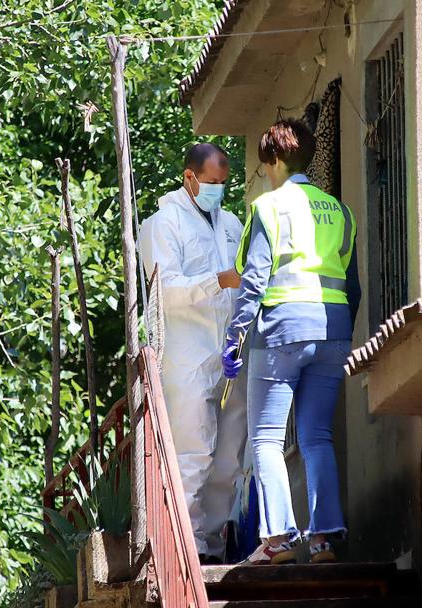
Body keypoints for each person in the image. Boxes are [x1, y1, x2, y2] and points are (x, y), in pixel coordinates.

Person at [222, 119, 360, 565]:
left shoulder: (269, 207)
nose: (265, 174)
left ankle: (278, 540)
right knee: (317, 436)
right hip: (332, 331)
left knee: (264, 438)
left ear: (276, 161)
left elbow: (254, 278)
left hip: (280, 332)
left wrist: (235, 337)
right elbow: (351, 285)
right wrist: (342, 334)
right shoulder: (339, 211)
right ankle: (322, 541)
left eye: (265, 166)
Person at [139, 143, 247, 564]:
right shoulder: (163, 224)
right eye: (211, 183)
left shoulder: (232, 224)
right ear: (189, 178)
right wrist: (217, 281)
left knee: (228, 457)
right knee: (192, 454)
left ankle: (214, 548)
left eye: (224, 183)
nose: (218, 190)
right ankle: (186, 554)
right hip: (186, 356)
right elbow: (164, 292)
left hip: (230, 355)